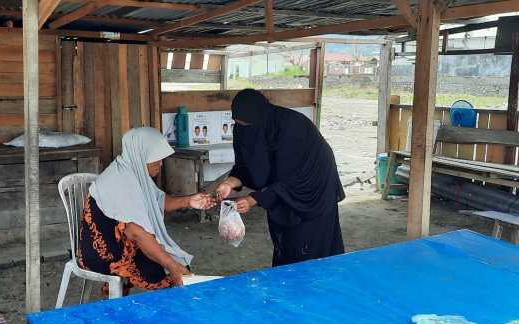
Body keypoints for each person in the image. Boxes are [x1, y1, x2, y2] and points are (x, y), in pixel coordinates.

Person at [215, 89, 345, 267]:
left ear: (259, 117)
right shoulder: (243, 128)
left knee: (309, 246)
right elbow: (245, 167)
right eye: (238, 123)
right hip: (280, 189)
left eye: (247, 124)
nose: (243, 129)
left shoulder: (291, 127)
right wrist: (230, 183)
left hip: (312, 187)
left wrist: (253, 199)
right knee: (284, 241)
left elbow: (290, 179)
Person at [79, 126, 217, 294]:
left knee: (176, 265)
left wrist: (189, 200)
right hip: (104, 253)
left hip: (125, 242)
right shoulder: (121, 183)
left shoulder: (132, 170)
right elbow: (138, 233)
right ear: (141, 155)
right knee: (164, 272)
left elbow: (157, 200)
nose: (160, 163)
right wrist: (171, 265)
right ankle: (161, 314)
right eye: (156, 158)